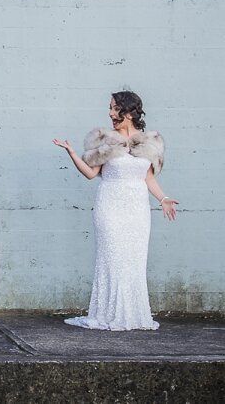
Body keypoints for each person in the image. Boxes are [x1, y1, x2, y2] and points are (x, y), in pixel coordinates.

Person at [53, 91, 178, 330]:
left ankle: (133, 315)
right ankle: (108, 314)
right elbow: (91, 174)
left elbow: (148, 178)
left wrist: (164, 198)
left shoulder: (147, 143)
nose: (110, 113)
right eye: (110, 108)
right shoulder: (106, 141)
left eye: (115, 108)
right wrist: (71, 152)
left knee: (134, 261)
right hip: (110, 206)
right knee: (112, 259)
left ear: (129, 112)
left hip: (137, 210)